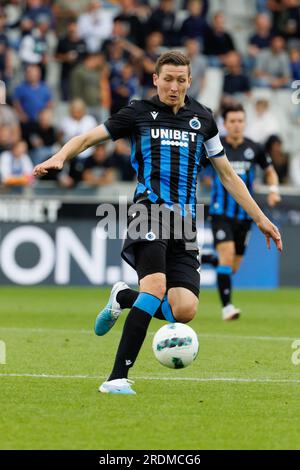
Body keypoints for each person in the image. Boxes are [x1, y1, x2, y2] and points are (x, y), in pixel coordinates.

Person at [33, 51, 282, 395]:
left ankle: (123, 298)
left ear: (189, 82)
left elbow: (227, 174)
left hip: (185, 223)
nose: (174, 86)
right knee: (155, 288)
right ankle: (116, 377)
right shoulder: (138, 113)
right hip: (148, 212)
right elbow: (90, 138)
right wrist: (60, 156)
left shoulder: (203, 118)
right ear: (155, 79)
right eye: (168, 79)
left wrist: (262, 219)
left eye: (181, 80)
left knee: (184, 309)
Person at [202, 103, 281, 320]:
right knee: (227, 258)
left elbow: (270, 171)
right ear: (225, 124)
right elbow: (199, 170)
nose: (237, 125)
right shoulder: (213, 146)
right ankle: (227, 307)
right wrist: (206, 179)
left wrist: (273, 190)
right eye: (232, 121)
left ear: (245, 123)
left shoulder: (254, 147)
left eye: (240, 121)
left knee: (231, 267)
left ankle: (207, 258)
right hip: (221, 213)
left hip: (245, 217)